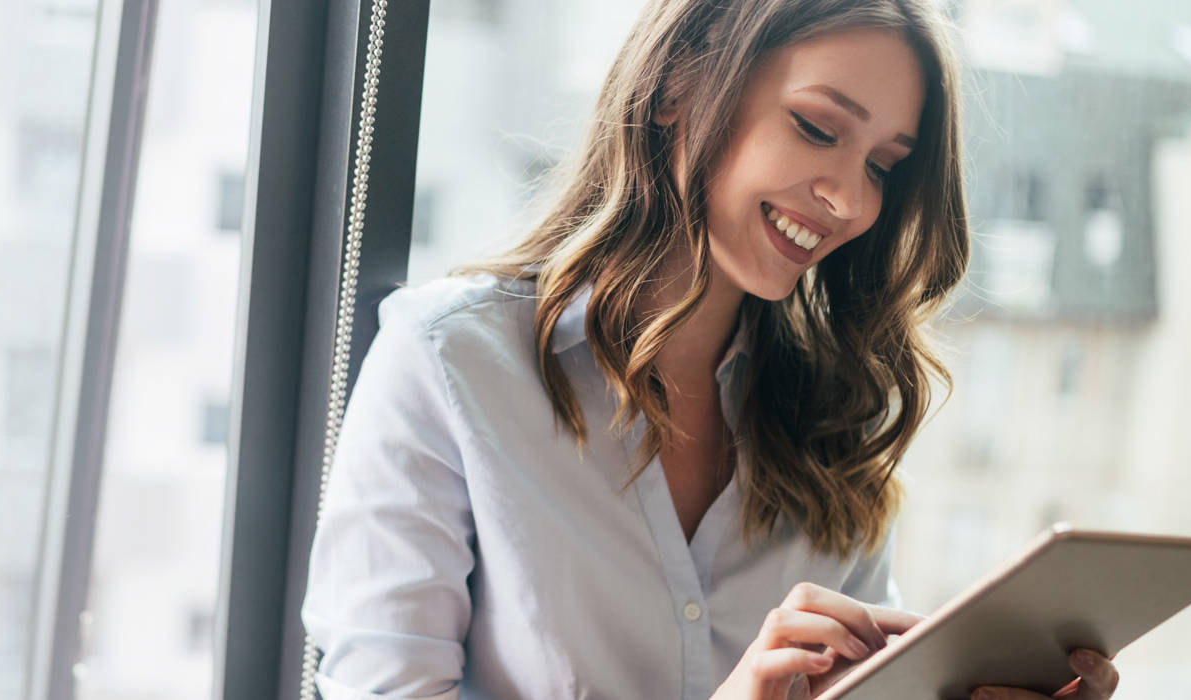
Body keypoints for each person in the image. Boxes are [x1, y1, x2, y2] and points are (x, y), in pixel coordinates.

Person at [300, 0, 1121, 698]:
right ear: (676, 87)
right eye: (815, 127)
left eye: (881, 166)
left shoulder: (832, 425)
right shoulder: (450, 363)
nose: (846, 199)